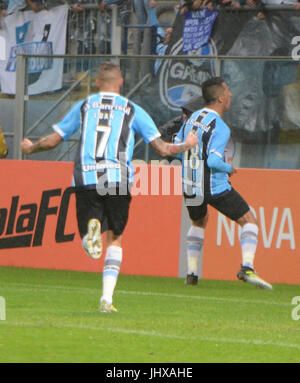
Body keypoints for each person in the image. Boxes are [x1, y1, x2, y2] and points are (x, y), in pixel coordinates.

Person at [20, 62, 198, 313]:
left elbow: (53, 140)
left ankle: (88, 232)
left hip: (86, 177)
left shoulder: (83, 106)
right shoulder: (132, 109)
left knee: (89, 231)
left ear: (96, 83)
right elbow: (162, 148)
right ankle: (106, 299)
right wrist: (186, 144)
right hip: (117, 178)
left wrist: (31, 147)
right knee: (115, 238)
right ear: (121, 82)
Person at [174, 77, 272, 290]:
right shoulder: (220, 126)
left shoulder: (190, 119)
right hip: (213, 186)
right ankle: (247, 268)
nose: (230, 96)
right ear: (220, 97)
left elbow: (177, 149)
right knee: (249, 220)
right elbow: (213, 161)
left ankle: (191, 274)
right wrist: (229, 168)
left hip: (190, 184)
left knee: (199, 222)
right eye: (227, 92)